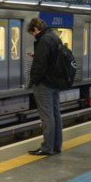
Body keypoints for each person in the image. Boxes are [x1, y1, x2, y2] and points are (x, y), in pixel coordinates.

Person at [26, 17, 63, 156]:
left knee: (47, 117)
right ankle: (56, 145)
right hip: (54, 82)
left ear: (36, 29)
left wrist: (34, 80)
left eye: (33, 33)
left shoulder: (44, 40)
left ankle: (47, 147)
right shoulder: (54, 37)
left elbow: (40, 66)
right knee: (55, 114)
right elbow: (52, 59)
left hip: (44, 84)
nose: (34, 35)